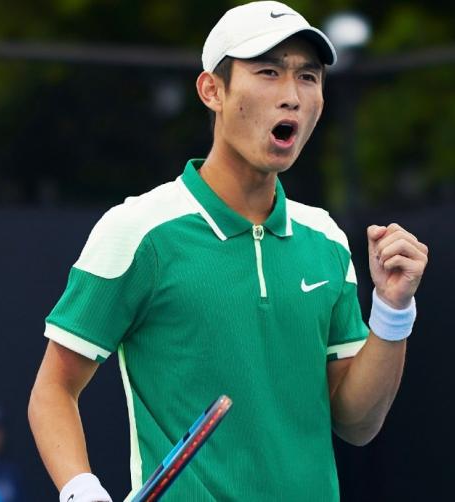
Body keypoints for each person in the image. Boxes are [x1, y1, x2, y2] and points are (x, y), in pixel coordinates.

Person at [28, 2, 429, 501]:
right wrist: (81, 491)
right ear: (212, 90)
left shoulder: (326, 239)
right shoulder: (139, 231)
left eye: (307, 77)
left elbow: (357, 423)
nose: (292, 96)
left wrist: (392, 311)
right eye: (268, 72)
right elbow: (53, 390)